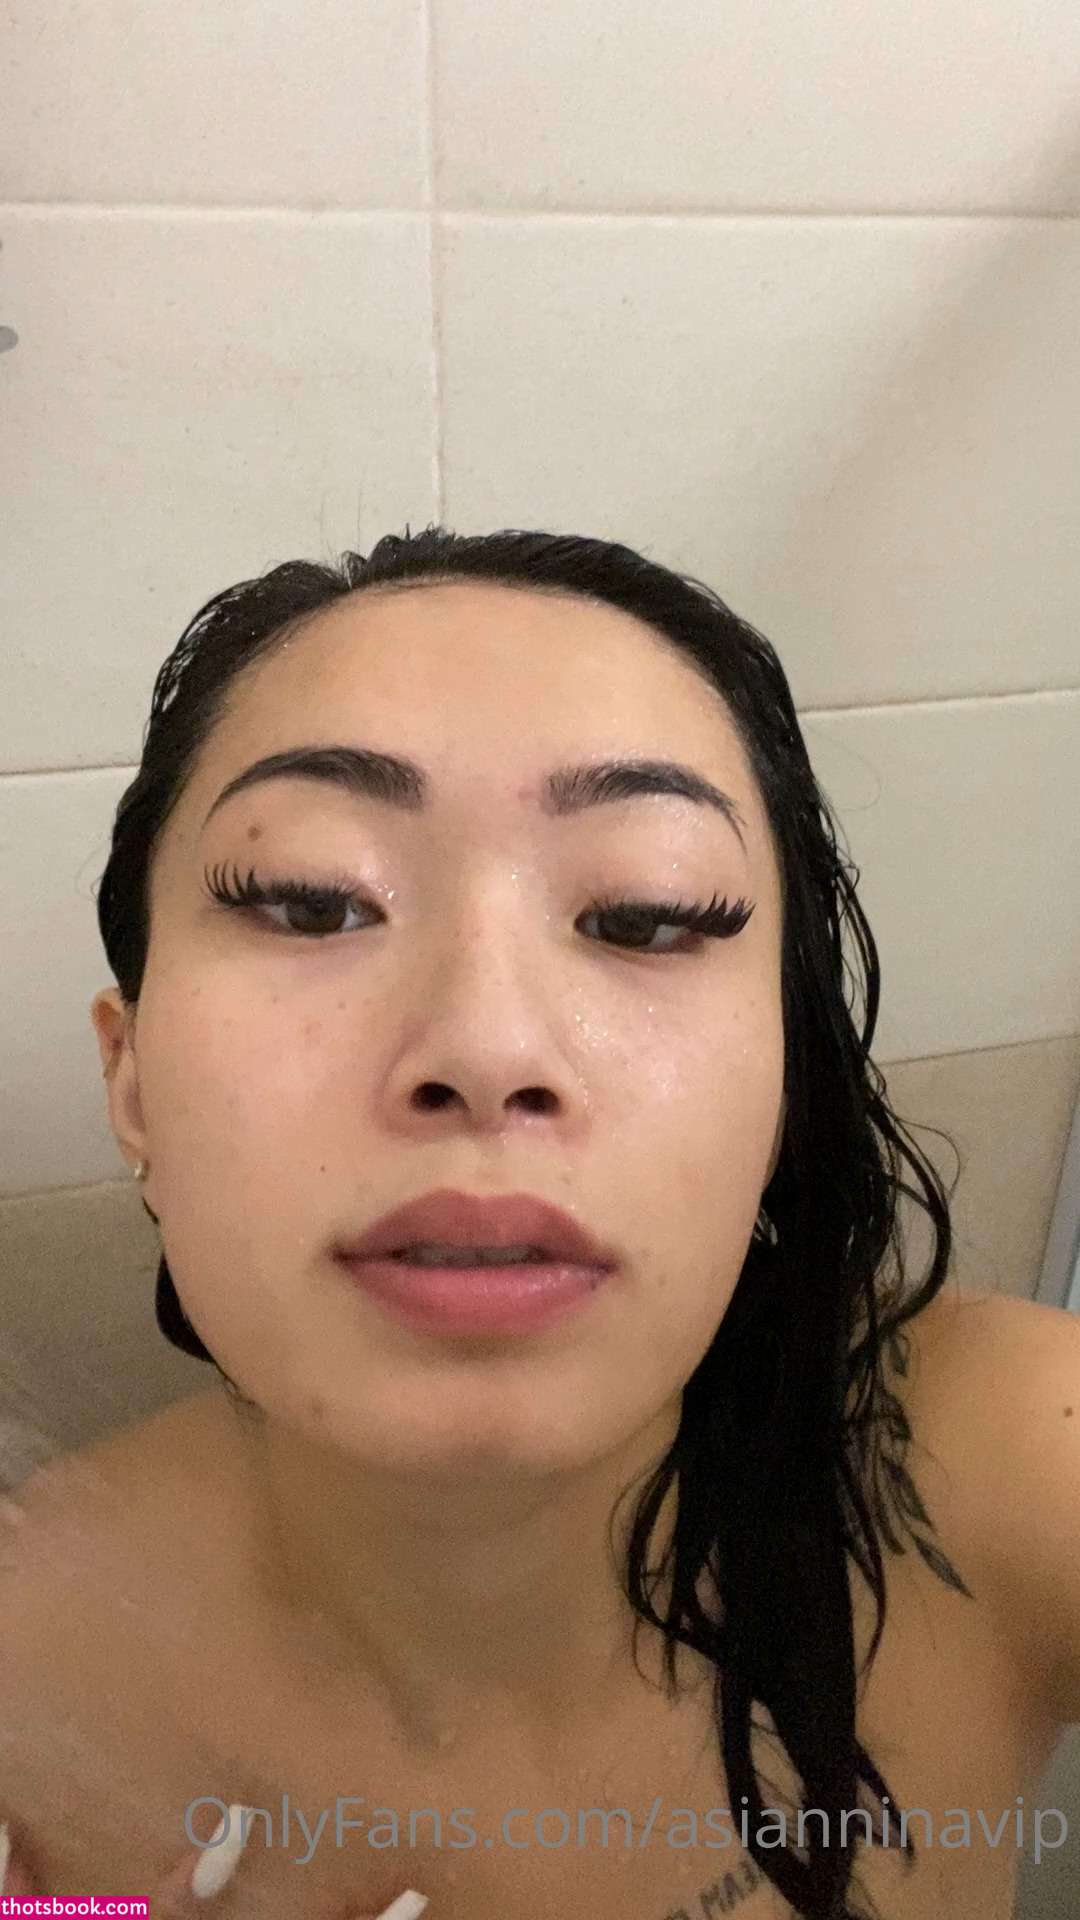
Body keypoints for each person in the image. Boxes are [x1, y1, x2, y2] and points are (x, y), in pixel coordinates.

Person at [1, 524, 1077, 1920]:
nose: (487, 1043)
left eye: (644, 915)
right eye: (312, 903)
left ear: (782, 1098)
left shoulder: (1022, 1466)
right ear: (133, 1081)